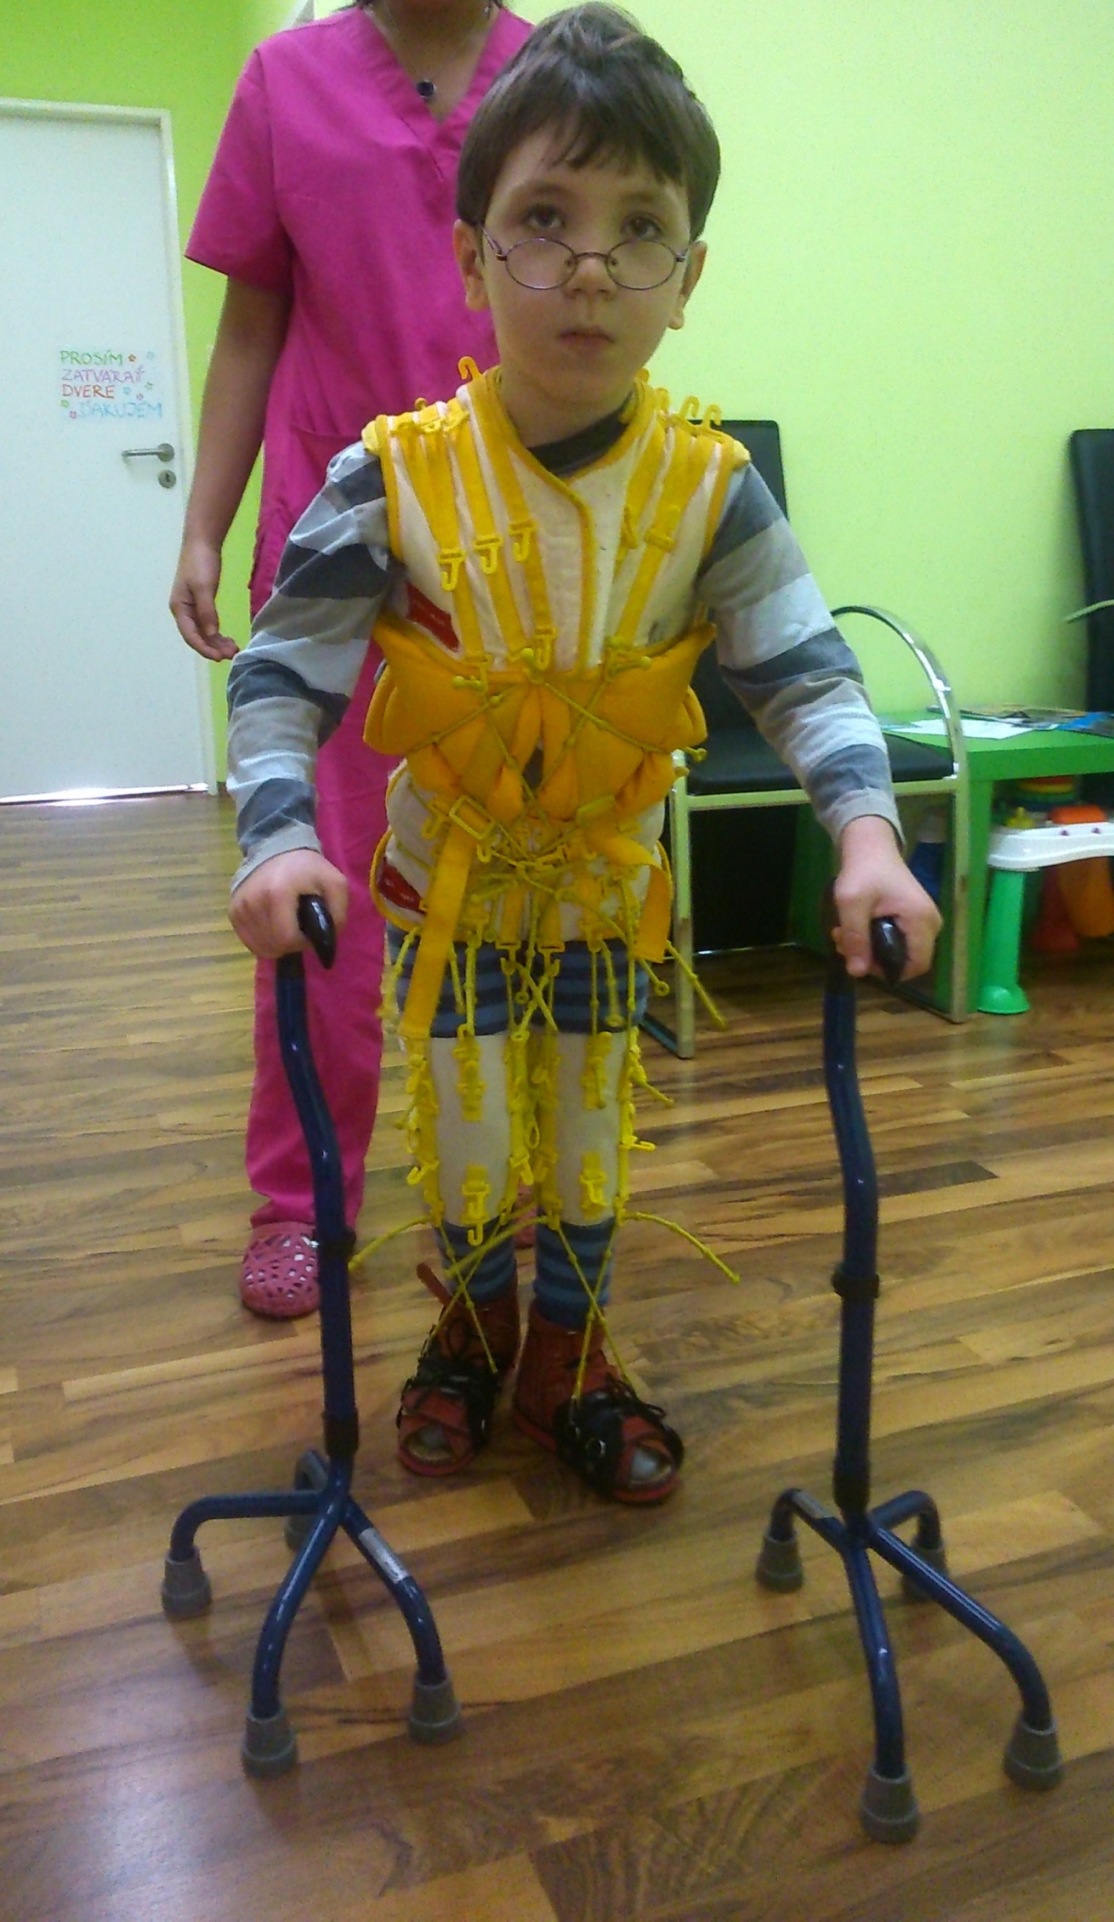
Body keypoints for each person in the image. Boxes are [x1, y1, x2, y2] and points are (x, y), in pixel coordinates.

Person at [222, 2, 942, 1504]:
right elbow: (282, 678)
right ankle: (473, 1332)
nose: (592, 268)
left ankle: (568, 1350)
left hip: (612, 900)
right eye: (544, 220)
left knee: (591, 1131)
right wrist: (280, 837)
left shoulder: (711, 492)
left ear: (689, 280)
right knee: (471, 1129)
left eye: (640, 229)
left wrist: (869, 837)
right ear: (471, 255)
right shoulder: (387, 478)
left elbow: (808, 677)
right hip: (454, 891)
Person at [169, 0, 532, 1319]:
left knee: (515, 885)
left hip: (510, 551)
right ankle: (301, 1201)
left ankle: (502, 1187)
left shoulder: (553, 73)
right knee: (314, 884)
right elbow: (249, 326)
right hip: (333, 548)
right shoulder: (286, 82)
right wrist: (204, 524)